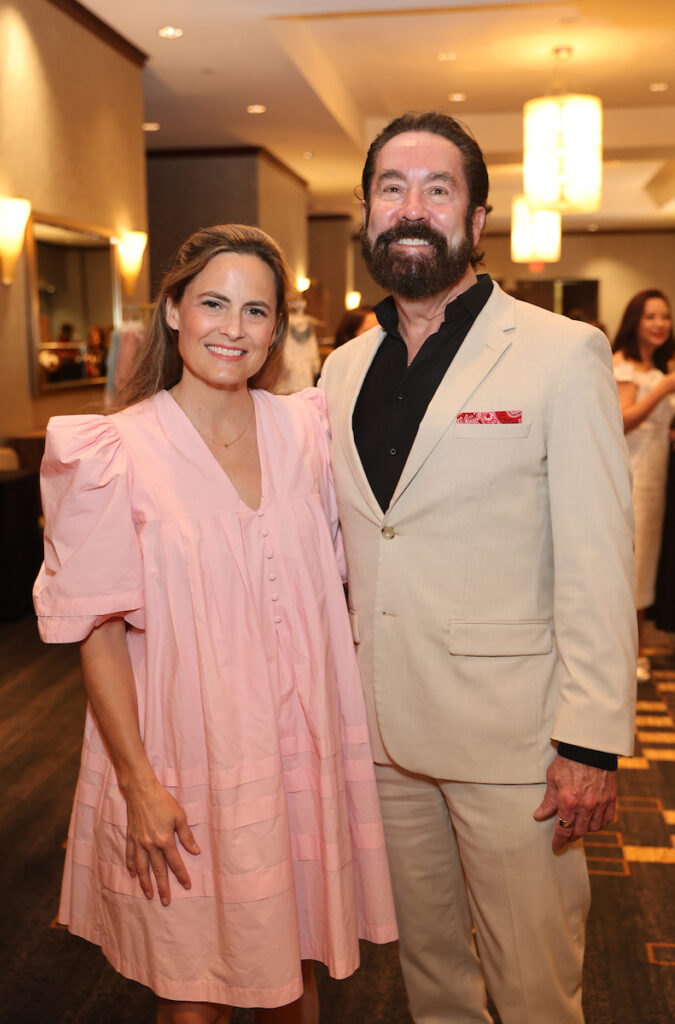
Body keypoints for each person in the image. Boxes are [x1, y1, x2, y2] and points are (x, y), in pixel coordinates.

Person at [33, 224, 396, 1024]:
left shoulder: (305, 430)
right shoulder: (110, 450)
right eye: (212, 303)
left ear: (277, 328)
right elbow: (95, 631)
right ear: (171, 311)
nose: (233, 329)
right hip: (181, 752)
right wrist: (136, 782)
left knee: (290, 979)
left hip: (296, 746)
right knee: (192, 996)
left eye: (256, 311)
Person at [319, 112, 637, 1024]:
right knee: (430, 977)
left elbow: (596, 560)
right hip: (382, 733)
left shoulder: (558, 351)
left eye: (436, 189)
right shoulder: (341, 370)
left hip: (516, 747)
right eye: (390, 188)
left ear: (477, 216)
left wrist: (587, 741)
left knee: (533, 986)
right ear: (366, 212)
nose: (410, 208)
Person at [612, 289, 675, 680]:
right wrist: (663, 391)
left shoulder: (657, 369)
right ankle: (623, 653)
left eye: (665, 317)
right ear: (635, 321)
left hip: (657, 478)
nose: (659, 324)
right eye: (651, 317)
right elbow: (623, 420)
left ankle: (637, 648)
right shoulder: (625, 367)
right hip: (632, 476)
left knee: (645, 565)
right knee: (628, 565)